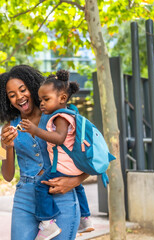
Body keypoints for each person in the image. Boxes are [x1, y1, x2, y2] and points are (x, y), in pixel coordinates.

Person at [0, 65, 89, 240]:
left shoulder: (60, 117)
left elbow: (90, 156)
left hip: (61, 195)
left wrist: (74, 181)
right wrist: (8, 146)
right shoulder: (10, 127)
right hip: (25, 199)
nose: (19, 97)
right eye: (12, 95)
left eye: (23, 90)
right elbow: (7, 175)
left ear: (33, 87)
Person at [20, 69, 94, 239]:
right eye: (40, 100)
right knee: (79, 187)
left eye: (46, 99)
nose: (42, 104)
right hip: (74, 166)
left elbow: (59, 138)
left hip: (62, 166)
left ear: (62, 98)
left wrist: (35, 130)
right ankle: (85, 218)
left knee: (40, 186)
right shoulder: (71, 114)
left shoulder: (60, 116)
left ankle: (48, 223)